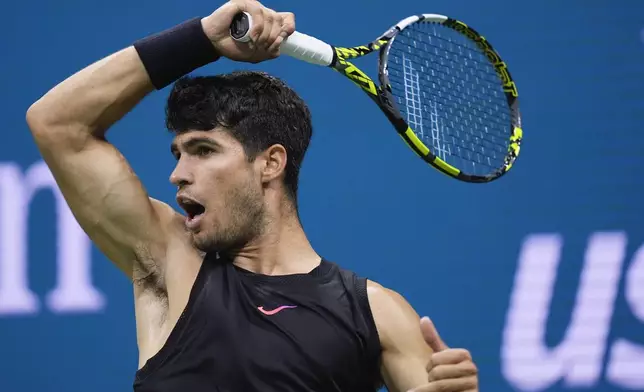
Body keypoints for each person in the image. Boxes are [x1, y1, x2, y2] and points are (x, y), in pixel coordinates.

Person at [26, 0, 479, 391]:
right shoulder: (169, 262)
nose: (177, 175)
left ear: (270, 163)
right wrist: (202, 39)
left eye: (203, 150)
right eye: (178, 154)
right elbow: (57, 123)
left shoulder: (377, 313)